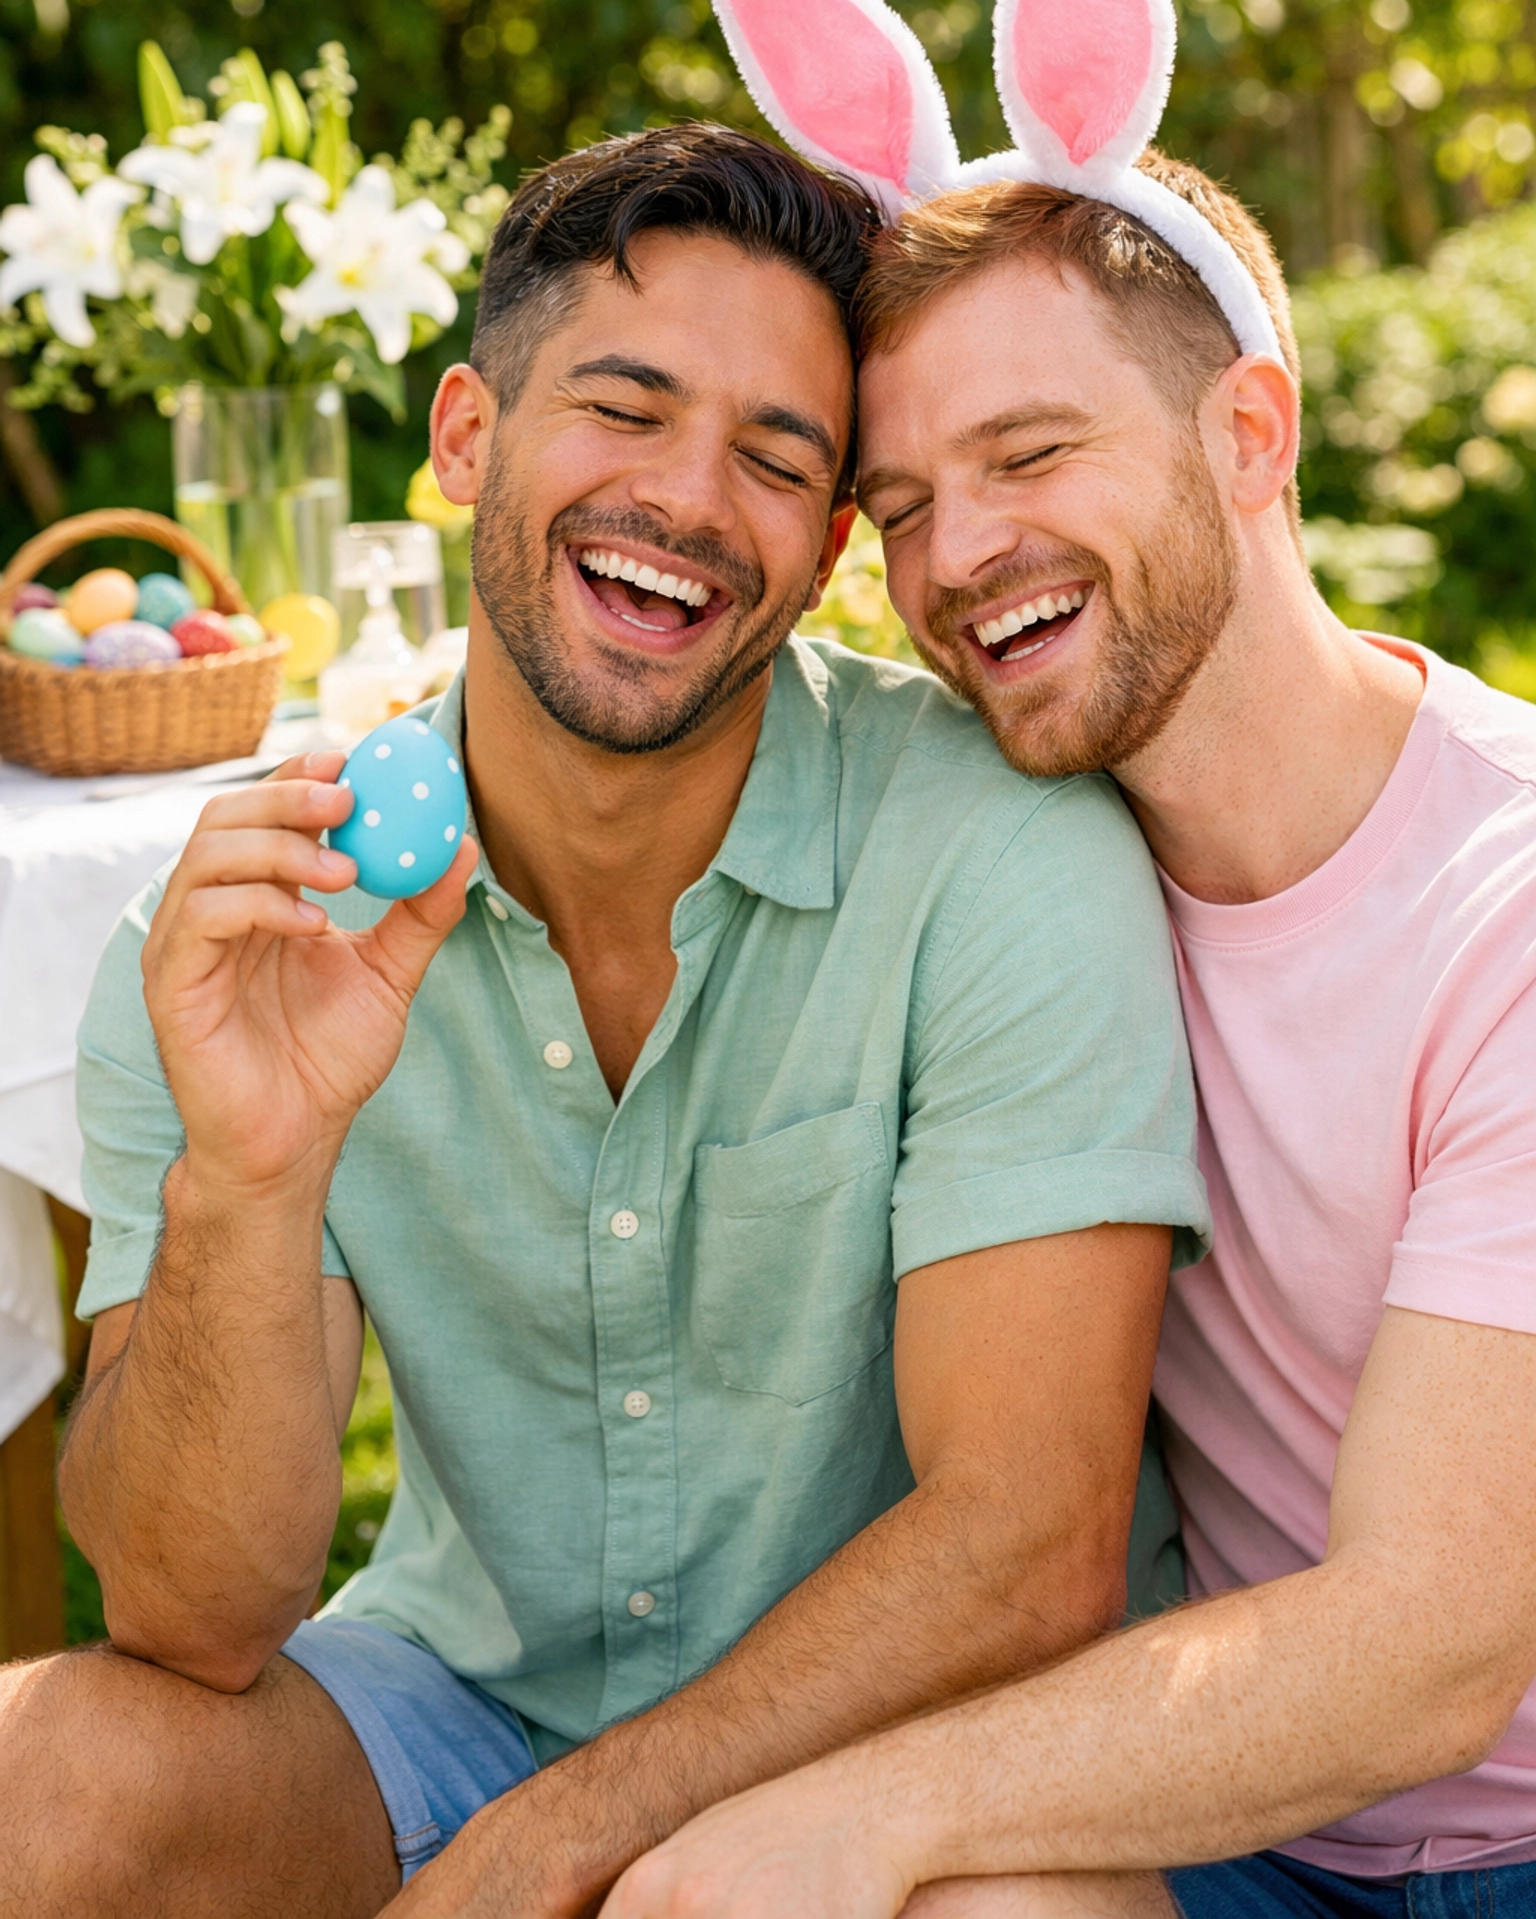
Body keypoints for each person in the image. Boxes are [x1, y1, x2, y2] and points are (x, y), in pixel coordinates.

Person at [0, 123, 1206, 1919]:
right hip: (465, 1705)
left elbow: (1023, 1555)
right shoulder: (249, 925)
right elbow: (187, 1614)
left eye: (777, 461)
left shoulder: (990, 850)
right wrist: (252, 1176)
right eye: (625, 411)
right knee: (47, 1778)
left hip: (905, 1743)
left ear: (819, 554)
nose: (692, 503)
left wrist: (549, 1858)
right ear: (466, 439)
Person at [601, 0, 1536, 1919]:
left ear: (1250, 433)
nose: (956, 561)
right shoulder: (1010, 853)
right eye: (910, 505)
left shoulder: (1508, 906)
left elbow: (1434, 1643)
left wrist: (845, 1809)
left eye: (1033, 454)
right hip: (1243, 1824)